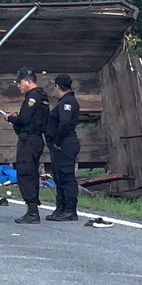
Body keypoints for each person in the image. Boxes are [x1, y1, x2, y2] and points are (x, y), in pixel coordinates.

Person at [6, 66, 50, 224]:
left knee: (25, 173)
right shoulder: (43, 96)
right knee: (31, 173)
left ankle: (32, 211)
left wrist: (11, 118)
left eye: (19, 82)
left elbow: (24, 119)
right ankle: (32, 209)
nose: (18, 86)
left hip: (29, 140)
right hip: (37, 139)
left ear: (27, 81)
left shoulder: (33, 97)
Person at [46, 73, 81, 221]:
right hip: (60, 144)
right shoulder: (64, 102)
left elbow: (65, 123)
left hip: (65, 143)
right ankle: (61, 207)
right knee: (59, 176)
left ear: (57, 86)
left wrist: (58, 141)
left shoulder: (68, 102)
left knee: (66, 177)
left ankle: (70, 209)